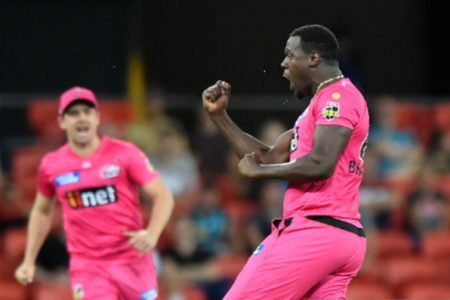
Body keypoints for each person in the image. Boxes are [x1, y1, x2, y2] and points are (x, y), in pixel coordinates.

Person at [202, 24, 369, 299]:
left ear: (313, 58)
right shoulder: (318, 107)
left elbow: (320, 164)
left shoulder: (338, 97)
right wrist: (220, 117)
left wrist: (261, 172)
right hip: (339, 235)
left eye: (289, 55)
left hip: (316, 230)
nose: (283, 63)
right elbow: (267, 156)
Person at [14, 86, 174, 300]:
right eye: (73, 113)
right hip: (89, 267)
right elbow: (41, 212)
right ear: (62, 121)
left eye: (87, 112)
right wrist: (29, 260)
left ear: (97, 118)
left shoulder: (125, 153)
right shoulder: (52, 165)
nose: (81, 118)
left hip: (132, 262)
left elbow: (163, 195)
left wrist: (153, 234)